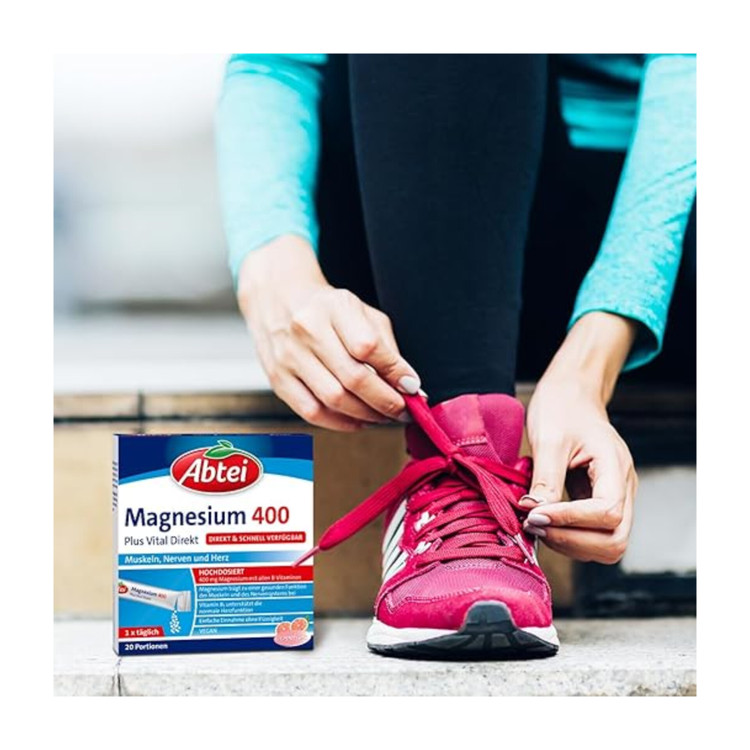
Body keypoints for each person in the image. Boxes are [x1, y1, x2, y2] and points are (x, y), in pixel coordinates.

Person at [216, 54, 696, 658]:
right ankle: (458, 466)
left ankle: (473, 484)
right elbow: (274, 63)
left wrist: (590, 367)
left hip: (672, 231)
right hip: (420, 198)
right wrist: (272, 274)